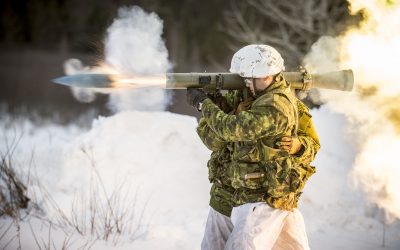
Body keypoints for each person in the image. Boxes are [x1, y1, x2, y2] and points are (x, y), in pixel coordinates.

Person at [186, 44, 320, 250]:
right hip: (230, 193)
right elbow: (212, 139)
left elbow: (233, 129)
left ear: (268, 76)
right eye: (245, 77)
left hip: (264, 197)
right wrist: (219, 107)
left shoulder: (277, 105)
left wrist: (206, 106)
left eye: (252, 78)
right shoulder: (241, 96)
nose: (247, 82)